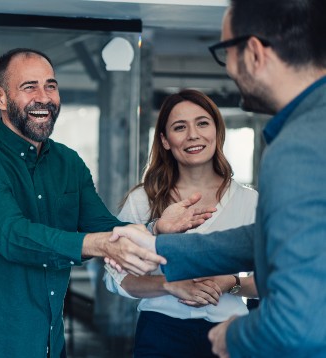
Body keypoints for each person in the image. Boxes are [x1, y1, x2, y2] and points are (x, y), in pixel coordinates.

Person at [0, 48, 215, 358]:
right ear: (0, 97)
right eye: (29, 86)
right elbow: (12, 236)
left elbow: (103, 227)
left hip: (52, 345)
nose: (44, 97)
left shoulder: (68, 163)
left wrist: (156, 227)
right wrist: (100, 245)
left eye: (51, 85)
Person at [108, 0, 326, 356]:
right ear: (165, 139)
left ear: (253, 52)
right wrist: (157, 244)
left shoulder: (297, 146)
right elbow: (266, 240)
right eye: (180, 127)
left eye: (226, 52)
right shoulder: (309, 129)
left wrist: (235, 335)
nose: (229, 70)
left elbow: (299, 310)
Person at [104, 89, 258, 358]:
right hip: (160, 334)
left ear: (216, 131)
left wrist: (229, 283)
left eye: (202, 123)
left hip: (231, 333)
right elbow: (115, 278)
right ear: (165, 140)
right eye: (179, 127)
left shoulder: (250, 201)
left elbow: (275, 279)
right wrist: (168, 285)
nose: (193, 135)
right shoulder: (143, 199)